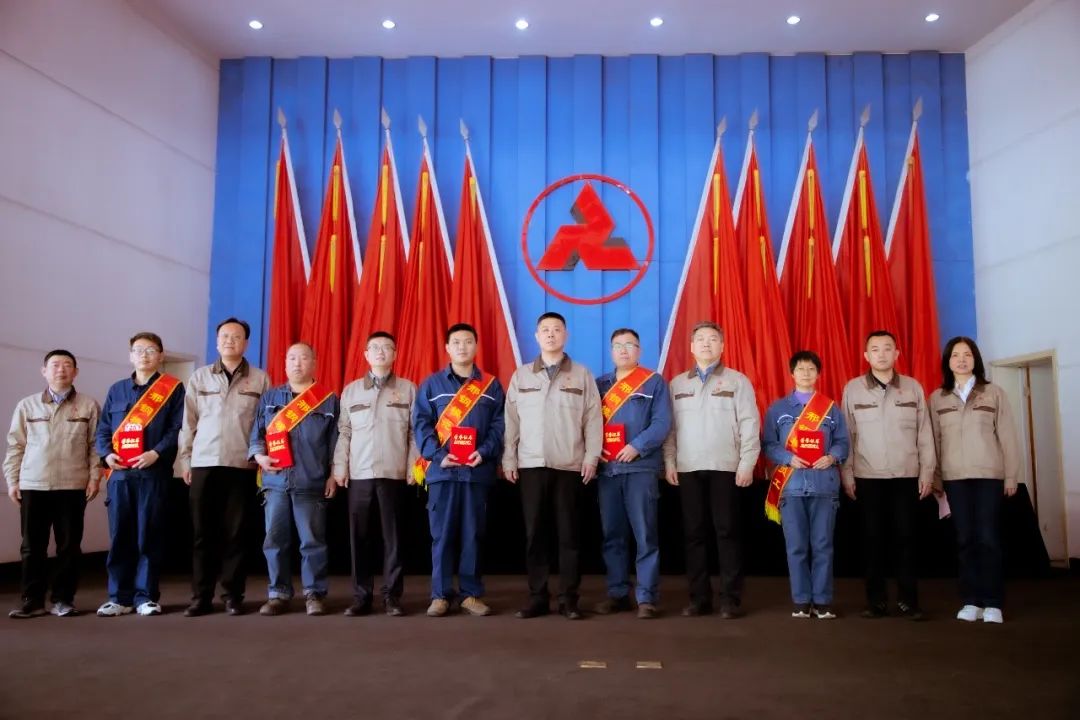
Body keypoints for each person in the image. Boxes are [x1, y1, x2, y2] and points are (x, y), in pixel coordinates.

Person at [503, 312, 602, 620]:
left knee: (569, 535)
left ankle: (569, 599)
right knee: (535, 534)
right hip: (531, 464)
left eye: (556, 329)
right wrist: (509, 457)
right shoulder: (522, 376)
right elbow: (511, 421)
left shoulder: (581, 374)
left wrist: (591, 457)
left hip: (569, 465)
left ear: (565, 335)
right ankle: (537, 597)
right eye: (545, 330)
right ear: (536, 336)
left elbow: (593, 419)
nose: (550, 334)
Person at [663, 321, 759, 618]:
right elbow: (670, 429)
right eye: (701, 339)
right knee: (693, 534)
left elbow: (749, 423)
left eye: (713, 339)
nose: (706, 343)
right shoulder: (677, 384)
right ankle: (699, 598)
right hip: (688, 467)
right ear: (691, 347)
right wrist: (669, 461)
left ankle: (730, 599)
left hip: (725, 466)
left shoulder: (737, 381)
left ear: (722, 346)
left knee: (727, 531)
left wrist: (747, 463)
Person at [840, 330, 936, 620]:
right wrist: (847, 474)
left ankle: (909, 601)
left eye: (887, 348)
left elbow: (925, 434)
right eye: (875, 349)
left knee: (906, 540)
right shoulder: (853, 389)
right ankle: (876, 602)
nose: (881, 354)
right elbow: (847, 435)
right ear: (866, 356)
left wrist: (927, 472)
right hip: (868, 477)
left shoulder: (913, 388)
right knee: (872, 541)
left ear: (897, 353)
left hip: (906, 475)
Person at [178, 318, 270, 617]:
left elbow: (266, 424)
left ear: (246, 343)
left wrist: (261, 457)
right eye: (224, 336)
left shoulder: (260, 379)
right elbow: (188, 423)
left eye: (236, 336)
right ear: (217, 342)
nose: (230, 340)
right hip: (204, 463)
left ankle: (233, 595)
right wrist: (185, 459)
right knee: (202, 534)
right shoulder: (200, 377)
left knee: (237, 534)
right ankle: (200, 597)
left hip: (241, 464)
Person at [413, 323, 505, 617]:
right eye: (456, 342)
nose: (462, 347)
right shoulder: (431, 385)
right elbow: (421, 425)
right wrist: (439, 456)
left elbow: (499, 426)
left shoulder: (491, 386)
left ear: (476, 346)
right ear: (447, 348)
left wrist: (484, 451)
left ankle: (470, 594)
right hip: (443, 473)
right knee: (441, 535)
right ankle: (440, 595)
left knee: (472, 534)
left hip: (477, 471)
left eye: (468, 341)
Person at [930, 336, 1020, 624]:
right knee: (965, 539)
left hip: (988, 477)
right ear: (948, 362)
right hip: (955, 478)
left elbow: (1007, 436)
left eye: (967, 354)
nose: (961, 360)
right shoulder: (938, 397)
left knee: (988, 538)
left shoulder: (994, 393)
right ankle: (971, 600)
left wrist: (1011, 475)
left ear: (975, 360)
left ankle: (993, 602)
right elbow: (933, 441)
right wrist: (936, 478)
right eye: (955, 355)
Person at [95, 332, 185, 617]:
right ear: (130, 356)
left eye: (150, 350)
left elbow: (177, 428)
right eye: (138, 350)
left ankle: (145, 596)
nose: (144, 355)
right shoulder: (117, 389)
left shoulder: (173, 389)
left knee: (150, 535)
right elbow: (103, 428)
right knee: (120, 536)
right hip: (120, 475)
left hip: (153, 473)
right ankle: (118, 597)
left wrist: (156, 452)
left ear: (160, 355)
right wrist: (107, 455)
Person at [5, 350, 101, 618]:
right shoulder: (27, 405)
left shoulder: (88, 405)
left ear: (76, 372)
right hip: (33, 484)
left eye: (67, 365)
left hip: (72, 485)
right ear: (44, 371)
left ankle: (63, 600)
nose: (61, 370)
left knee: (69, 547)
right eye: (55, 365)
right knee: (31, 546)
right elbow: (15, 445)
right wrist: (12, 480)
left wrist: (95, 477)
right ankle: (32, 601)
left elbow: (96, 446)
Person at [249, 343, 339, 617]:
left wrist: (333, 473)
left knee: (312, 542)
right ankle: (278, 594)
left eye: (303, 358)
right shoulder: (270, 397)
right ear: (285, 363)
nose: (297, 363)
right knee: (275, 541)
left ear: (314, 362)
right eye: (292, 358)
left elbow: (335, 442)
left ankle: (314, 594)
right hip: (275, 481)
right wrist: (259, 456)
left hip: (311, 481)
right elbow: (257, 434)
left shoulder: (328, 400)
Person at [332, 332, 417, 617]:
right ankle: (361, 596)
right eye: (375, 348)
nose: (381, 352)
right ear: (366, 355)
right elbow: (344, 431)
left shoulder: (408, 389)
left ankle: (392, 596)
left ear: (395, 354)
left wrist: (413, 466)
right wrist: (340, 466)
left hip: (394, 473)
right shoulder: (352, 391)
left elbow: (414, 433)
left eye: (387, 348)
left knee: (394, 538)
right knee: (359, 538)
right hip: (360, 473)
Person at [763, 350, 850, 619]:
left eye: (811, 369)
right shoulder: (778, 409)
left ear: (818, 374)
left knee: (823, 546)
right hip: (791, 486)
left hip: (824, 486)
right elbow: (769, 444)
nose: (806, 373)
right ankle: (801, 600)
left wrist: (832, 456)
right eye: (800, 369)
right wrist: (787, 457)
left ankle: (822, 601)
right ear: (792, 373)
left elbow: (843, 442)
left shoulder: (830, 408)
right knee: (796, 547)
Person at [593, 328, 671, 619]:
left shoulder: (654, 382)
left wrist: (637, 446)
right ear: (611, 351)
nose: (623, 350)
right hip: (608, 470)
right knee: (612, 535)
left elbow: (662, 423)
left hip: (640, 468)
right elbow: (588, 422)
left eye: (629, 345)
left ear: (639, 350)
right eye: (618, 345)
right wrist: (595, 448)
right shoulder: (600, 385)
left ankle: (646, 598)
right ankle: (617, 593)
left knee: (645, 534)